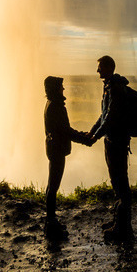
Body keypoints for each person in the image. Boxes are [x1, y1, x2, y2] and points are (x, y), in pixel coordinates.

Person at [88, 55, 137, 244]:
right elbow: (104, 115)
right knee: (116, 181)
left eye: (100, 67)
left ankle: (124, 229)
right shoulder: (109, 86)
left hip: (116, 140)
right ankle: (119, 220)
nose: (97, 70)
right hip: (112, 139)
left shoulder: (115, 88)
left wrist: (95, 136)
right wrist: (93, 132)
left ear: (109, 67)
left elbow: (110, 117)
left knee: (120, 182)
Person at [43, 75, 91, 240]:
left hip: (53, 148)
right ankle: (51, 223)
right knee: (53, 185)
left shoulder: (52, 104)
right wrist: (84, 139)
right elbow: (65, 130)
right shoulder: (56, 106)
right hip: (57, 150)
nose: (63, 89)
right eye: (61, 86)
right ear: (55, 88)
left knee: (52, 185)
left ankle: (51, 220)